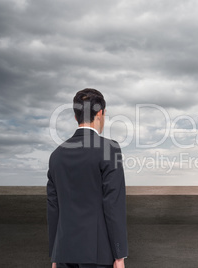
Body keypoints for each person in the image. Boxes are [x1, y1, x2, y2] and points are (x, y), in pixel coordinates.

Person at [47, 88, 128, 268]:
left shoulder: (56, 155)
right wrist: (120, 254)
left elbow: (53, 209)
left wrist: (54, 254)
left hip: (63, 253)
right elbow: (113, 204)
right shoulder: (109, 149)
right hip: (98, 254)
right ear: (100, 113)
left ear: (76, 117)